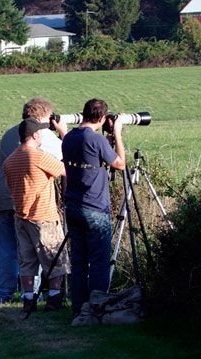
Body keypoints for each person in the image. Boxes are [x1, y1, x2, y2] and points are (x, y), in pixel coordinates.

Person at [0, 97, 67, 303]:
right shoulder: (42, 137)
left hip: (1, 198)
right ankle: (40, 296)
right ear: (42, 117)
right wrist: (62, 131)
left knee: (8, 251)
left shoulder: (9, 133)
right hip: (30, 203)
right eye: (50, 118)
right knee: (38, 250)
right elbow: (68, 156)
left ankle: (4, 294)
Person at [61, 99, 126, 317]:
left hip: (73, 206)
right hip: (95, 207)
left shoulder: (69, 138)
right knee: (99, 261)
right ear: (101, 118)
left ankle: (79, 309)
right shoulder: (96, 140)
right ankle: (97, 308)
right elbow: (120, 164)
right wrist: (117, 132)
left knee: (79, 261)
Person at [3, 118, 70, 312]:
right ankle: (54, 299)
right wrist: (64, 135)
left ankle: (28, 299)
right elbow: (65, 170)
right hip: (43, 216)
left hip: (20, 216)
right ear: (34, 135)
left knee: (27, 261)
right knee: (54, 258)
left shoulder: (10, 160)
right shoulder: (38, 156)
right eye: (40, 132)